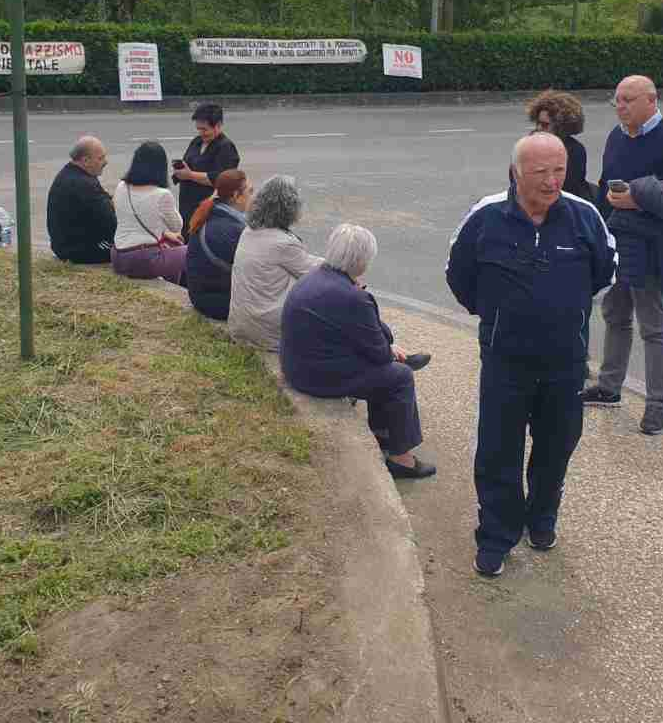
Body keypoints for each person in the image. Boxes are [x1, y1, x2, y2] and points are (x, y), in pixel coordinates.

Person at [447, 132, 615, 576]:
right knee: (498, 450)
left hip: (565, 363)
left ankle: (542, 519)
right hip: (505, 360)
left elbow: (605, 271)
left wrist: (564, 314)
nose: (551, 180)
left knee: (556, 446)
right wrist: (499, 316)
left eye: (559, 170)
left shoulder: (585, 217)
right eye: (540, 171)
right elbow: (458, 274)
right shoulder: (486, 217)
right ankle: (497, 534)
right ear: (516, 172)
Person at [582, 75, 663, 436]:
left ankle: (656, 406)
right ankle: (609, 387)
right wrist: (602, 217)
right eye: (616, 99)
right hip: (619, 242)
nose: (619, 106)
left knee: (653, 325)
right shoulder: (616, 137)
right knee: (614, 313)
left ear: (650, 100)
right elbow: (606, 182)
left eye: (627, 100)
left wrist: (640, 198)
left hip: (653, 246)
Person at [281, 224, 435, 479]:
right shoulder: (352, 297)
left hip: (299, 364)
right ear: (361, 261)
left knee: (386, 367)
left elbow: (361, 333)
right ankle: (401, 458)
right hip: (315, 376)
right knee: (399, 377)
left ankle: (384, 430)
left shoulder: (316, 277)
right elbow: (377, 353)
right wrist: (388, 349)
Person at [228, 175, 323, 351]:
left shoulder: (249, 231)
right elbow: (315, 271)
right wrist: (342, 264)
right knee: (321, 289)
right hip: (266, 330)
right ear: (290, 208)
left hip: (241, 324)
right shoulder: (283, 243)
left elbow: (301, 261)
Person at [110, 141, 187, 284]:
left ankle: (170, 283)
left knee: (171, 245)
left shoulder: (122, 186)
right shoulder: (162, 194)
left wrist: (163, 234)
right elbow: (177, 226)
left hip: (117, 256)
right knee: (191, 252)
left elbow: (128, 218)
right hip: (143, 259)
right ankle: (177, 288)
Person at [185, 169, 253, 320]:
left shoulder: (212, 212)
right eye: (250, 191)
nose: (252, 197)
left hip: (201, 296)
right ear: (236, 196)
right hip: (216, 303)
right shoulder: (230, 227)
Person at [172, 103, 240, 240]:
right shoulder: (197, 142)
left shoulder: (225, 147)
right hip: (187, 207)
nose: (201, 133)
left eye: (205, 129)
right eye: (198, 129)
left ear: (218, 125)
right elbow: (188, 164)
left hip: (208, 210)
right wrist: (180, 171)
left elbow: (221, 180)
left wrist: (190, 175)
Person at [46, 136, 117, 264]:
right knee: (131, 248)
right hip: (79, 250)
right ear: (85, 160)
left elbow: (104, 201)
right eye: (101, 158)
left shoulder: (71, 173)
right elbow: (111, 222)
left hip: (64, 245)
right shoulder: (83, 184)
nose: (106, 162)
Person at [527, 89, 592, 203]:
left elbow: (569, 188)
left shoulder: (575, 150)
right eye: (537, 123)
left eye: (545, 125)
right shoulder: (528, 145)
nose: (538, 128)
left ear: (561, 126)